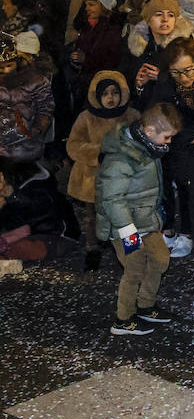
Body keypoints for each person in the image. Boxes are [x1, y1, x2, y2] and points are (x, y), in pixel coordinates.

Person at [96, 102, 182, 335]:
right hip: (126, 228)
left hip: (146, 221)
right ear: (150, 131)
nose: (169, 142)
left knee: (160, 259)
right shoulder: (121, 158)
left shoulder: (148, 147)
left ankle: (145, 304)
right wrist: (127, 230)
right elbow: (112, 198)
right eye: (167, 137)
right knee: (134, 269)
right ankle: (123, 319)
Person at [138, 37, 194, 271]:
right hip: (188, 140)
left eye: (188, 70)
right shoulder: (166, 83)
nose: (184, 78)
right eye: (177, 73)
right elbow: (158, 113)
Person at [67, 70, 138, 272]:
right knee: (91, 215)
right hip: (92, 177)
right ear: (97, 95)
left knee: (126, 214)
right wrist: (97, 153)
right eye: (105, 93)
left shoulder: (131, 115)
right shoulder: (86, 117)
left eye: (115, 92)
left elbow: (142, 140)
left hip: (123, 177)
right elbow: (73, 145)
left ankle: (131, 249)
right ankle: (92, 249)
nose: (110, 98)